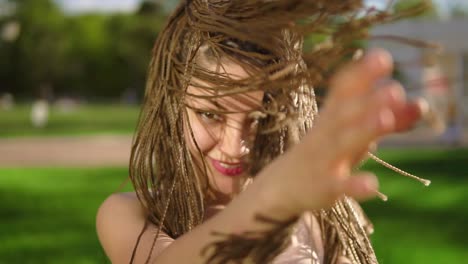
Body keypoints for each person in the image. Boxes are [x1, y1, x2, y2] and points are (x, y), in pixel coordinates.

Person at [96, 1, 428, 263]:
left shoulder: (319, 214)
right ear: (173, 106)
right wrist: (269, 204)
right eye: (210, 114)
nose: (235, 146)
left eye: (257, 118)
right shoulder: (130, 213)